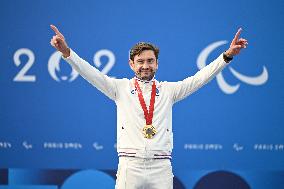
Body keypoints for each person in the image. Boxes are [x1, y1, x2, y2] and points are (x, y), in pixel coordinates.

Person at [50, 24, 248, 189]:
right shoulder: (119, 88)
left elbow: (200, 78)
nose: (146, 65)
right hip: (130, 165)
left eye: (150, 61)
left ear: (157, 64)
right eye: (141, 61)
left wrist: (227, 56)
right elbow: (90, 73)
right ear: (131, 64)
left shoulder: (169, 90)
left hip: (161, 167)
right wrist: (67, 53)